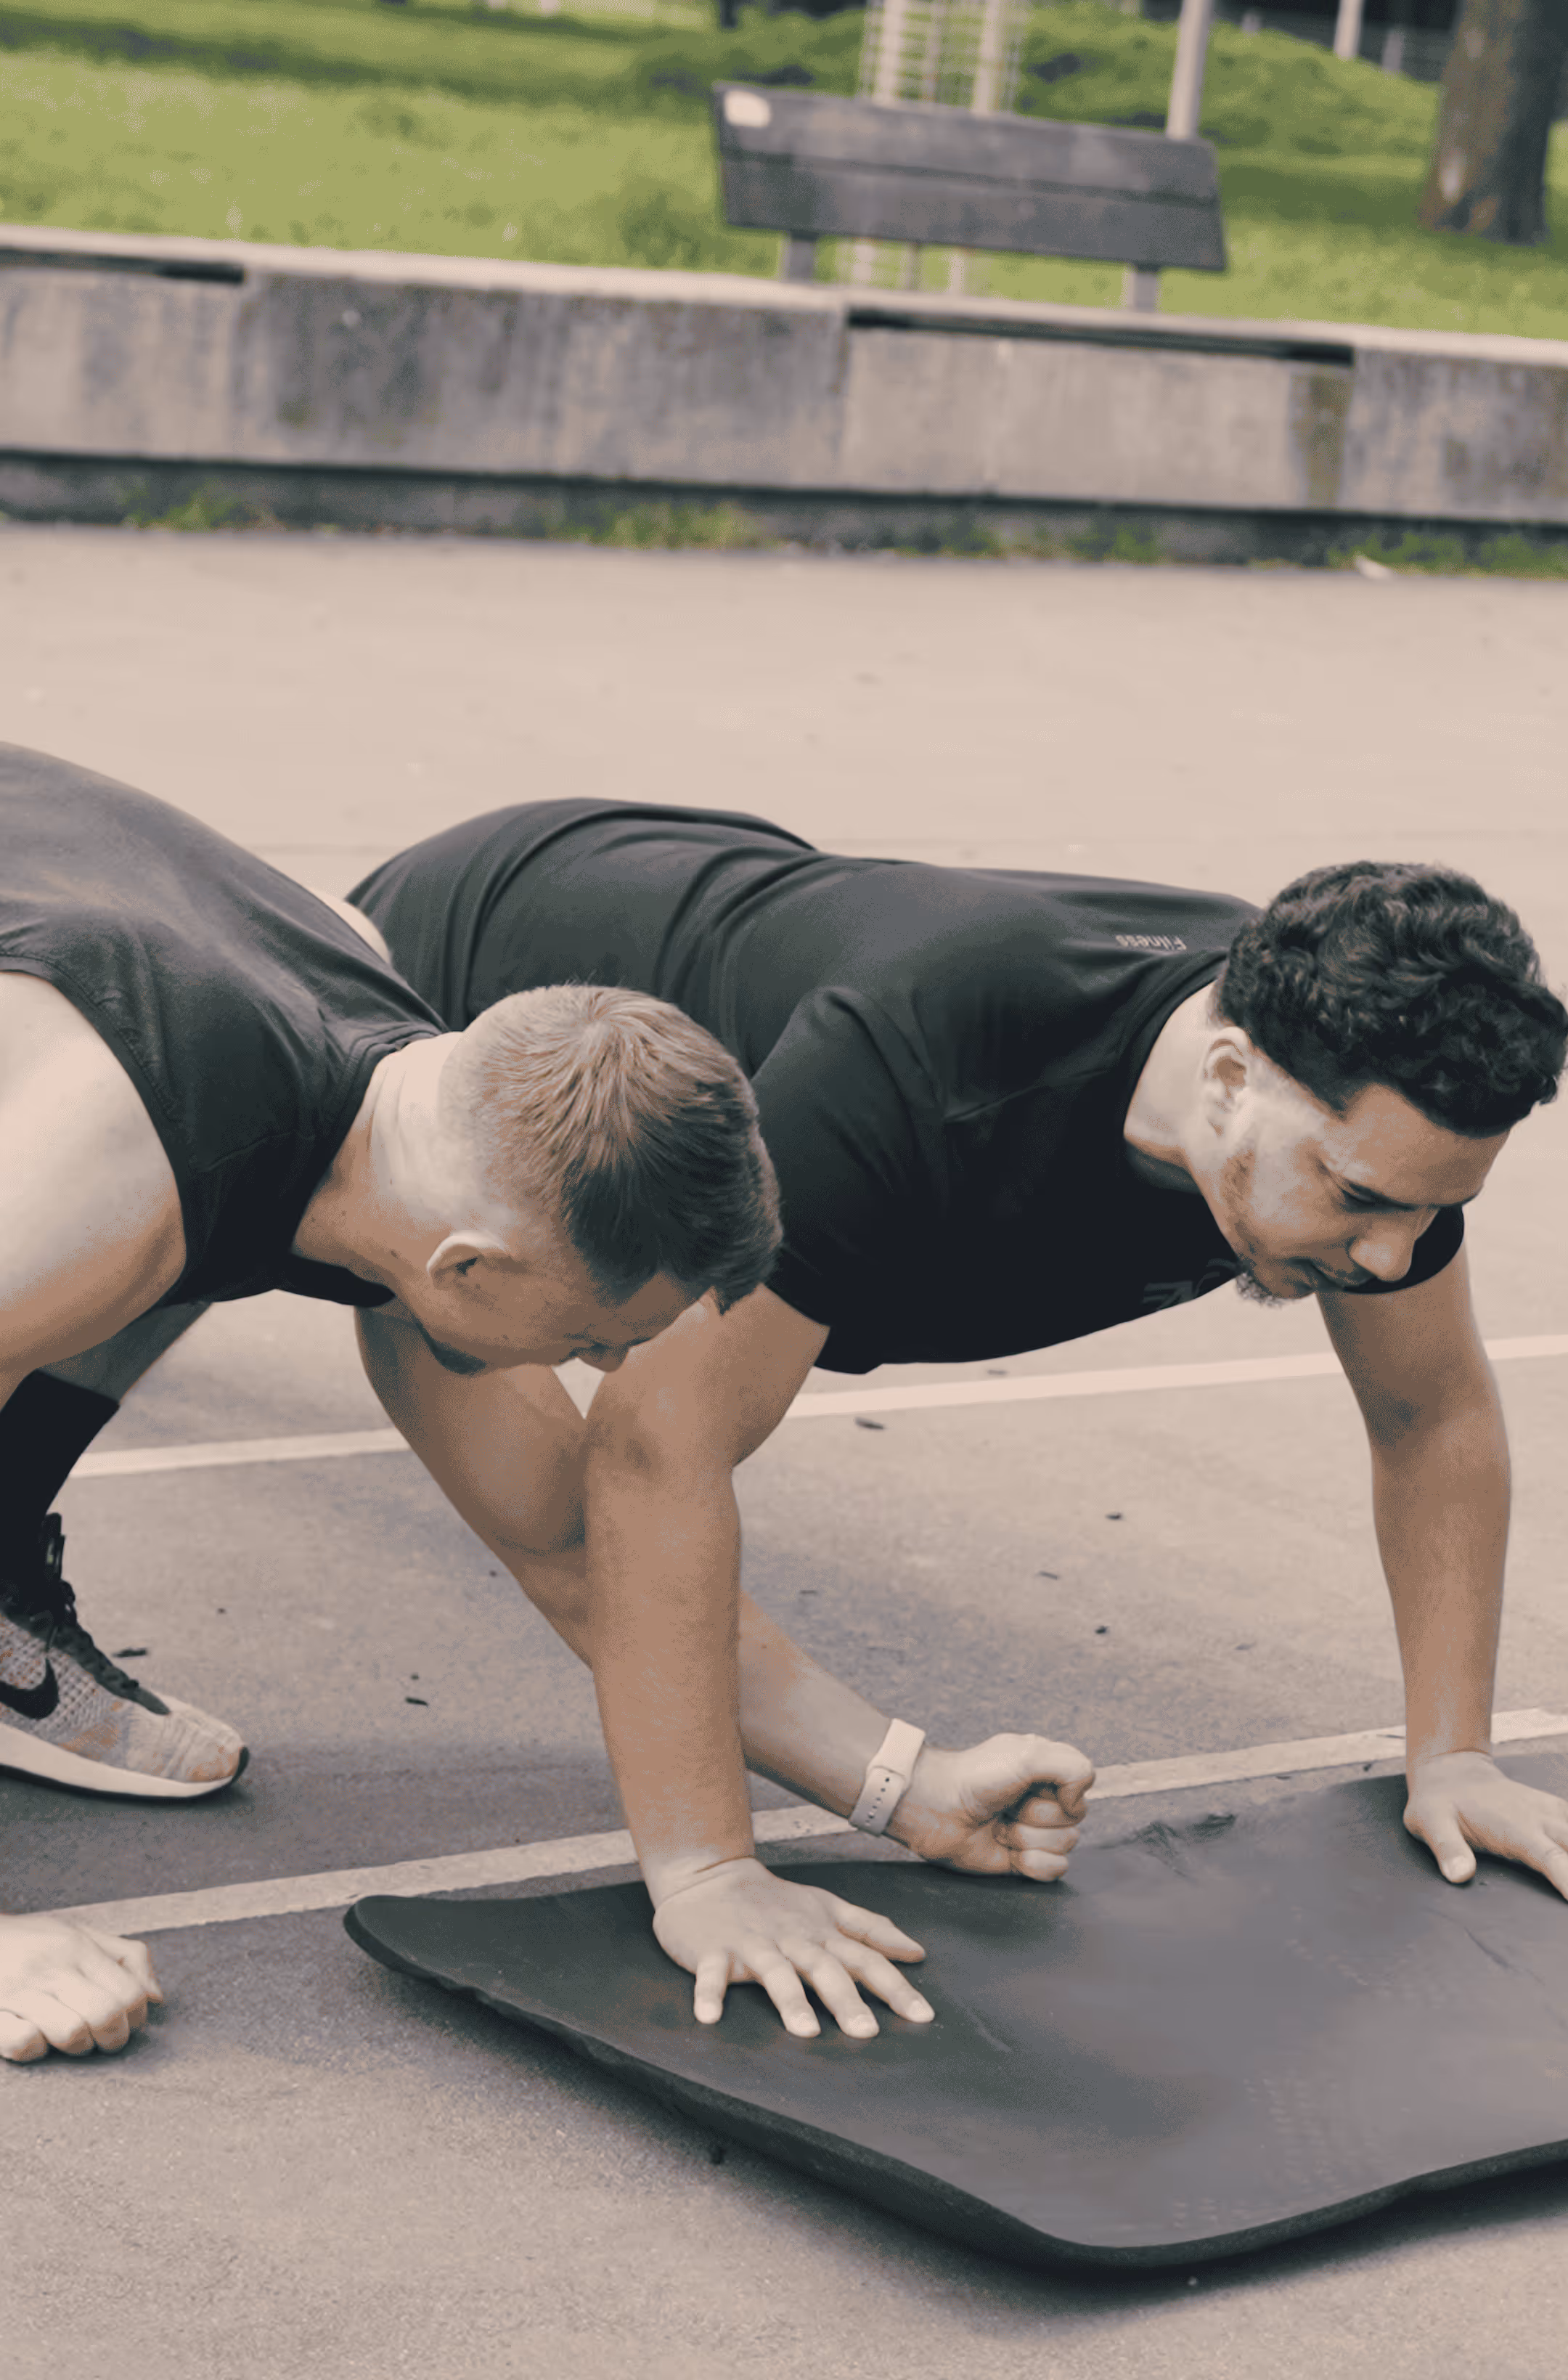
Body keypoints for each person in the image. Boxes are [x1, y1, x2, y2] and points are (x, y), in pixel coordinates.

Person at [341, 798, 1568, 2044]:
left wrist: (1454, 1755)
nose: (1394, 1254)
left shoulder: (1367, 1120)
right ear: (1230, 1079)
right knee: (234, 1221)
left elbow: (1431, 1414)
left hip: (733, 906)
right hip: (449, 959)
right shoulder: (919, 1074)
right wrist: (709, 1871)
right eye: (1360, 1198)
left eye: (1434, 1210)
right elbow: (657, 1454)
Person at [0, 750, 1089, 2068]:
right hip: (66, 1154)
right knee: (128, 1254)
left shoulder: (405, 1117)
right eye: (588, 1339)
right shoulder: (104, 1183)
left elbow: (571, 1538)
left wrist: (892, 1785)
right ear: (471, 1268)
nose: (586, 1377)